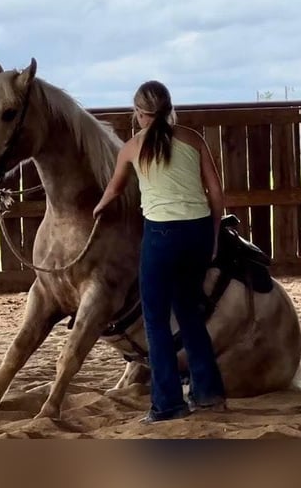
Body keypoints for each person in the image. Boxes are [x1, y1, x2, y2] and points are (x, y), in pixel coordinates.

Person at [94, 80, 227, 424]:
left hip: (162, 235)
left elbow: (114, 190)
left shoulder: (132, 147)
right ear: (169, 109)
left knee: (155, 321)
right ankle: (209, 394)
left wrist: (99, 208)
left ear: (138, 113)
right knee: (189, 313)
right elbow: (215, 192)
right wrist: (213, 235)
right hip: (197, 231)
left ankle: (167, 403)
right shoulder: (193, 139)